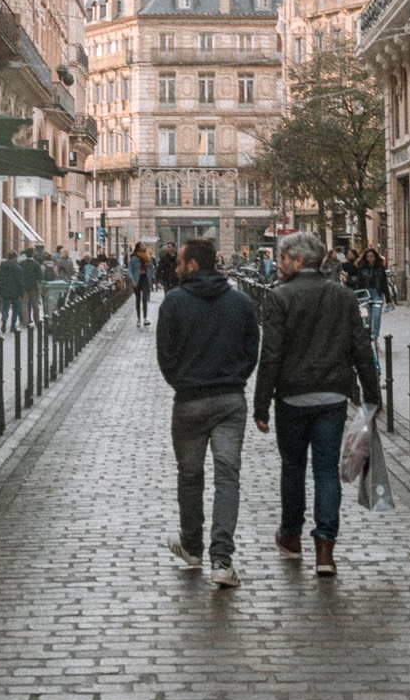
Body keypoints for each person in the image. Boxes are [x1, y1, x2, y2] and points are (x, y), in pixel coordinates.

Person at [253, 231, 381, 579]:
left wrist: (261, 404)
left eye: (281, 259)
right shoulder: (341, 296)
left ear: (298, 260)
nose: (277, 265)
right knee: (326, 472)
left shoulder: (280, 298)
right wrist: (372, 396)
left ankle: (291, 537)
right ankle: (325, 549)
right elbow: (361, 348)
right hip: (332, 397)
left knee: (292, 467)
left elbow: (272, 355)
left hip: (292, 397)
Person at [157, 237, 261, 588]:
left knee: (190, 476)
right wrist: (235, 379)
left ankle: (192, 547)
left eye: (180, 262)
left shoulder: (173, 302)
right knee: (227, 476)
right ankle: (221, 559)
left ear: (194, 265)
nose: (175, 267)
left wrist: (182, 381)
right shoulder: (241, 302)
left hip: (188, 401)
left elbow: (165, 355)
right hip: (230, 401)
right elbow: (252, 350)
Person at [353, 246, 390, 344]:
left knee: (377, 316)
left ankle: (375, 336)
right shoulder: (361, 268)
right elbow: (358, 282)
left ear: (375, 257)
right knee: (367, 317)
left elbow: (384, 283)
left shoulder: (380, 268)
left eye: (372, 256)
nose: (370, 258)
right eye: (368, 256)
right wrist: (357, 296)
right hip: (365, 293)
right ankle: (368, 336)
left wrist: (388, 299)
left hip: (377, 293)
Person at [0, 250, 22, 333]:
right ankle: (13, 325)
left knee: (5, 307)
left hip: (5, 289)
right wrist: (21, 292)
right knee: (15, 308)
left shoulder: (1, 267)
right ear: (15, 257)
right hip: (15, 291)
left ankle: (4, 320)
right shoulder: (17, 268)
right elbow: (20, 281)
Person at [128, 241, 153, 326]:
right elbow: (130, 268)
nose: (144, 246)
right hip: (137, 279)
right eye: (142, 245)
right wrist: (132, 280)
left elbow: (151, 268)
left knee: (145, 299)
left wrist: (151, 279)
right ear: (138, 247)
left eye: (144, 245)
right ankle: (138, 319)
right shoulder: (134, 257)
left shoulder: (148, 256)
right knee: (138, 299)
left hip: (145, 278)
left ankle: (145, 318)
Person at [18, 247, 42, 327]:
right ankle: (37, 320)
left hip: (24, 287)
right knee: (35, 305)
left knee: (24, 305)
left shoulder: (21, 263)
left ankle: (25, 321)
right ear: (32, 254)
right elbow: (40, 276)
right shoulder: (36, 264)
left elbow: (20, 275)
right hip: (34, 287)